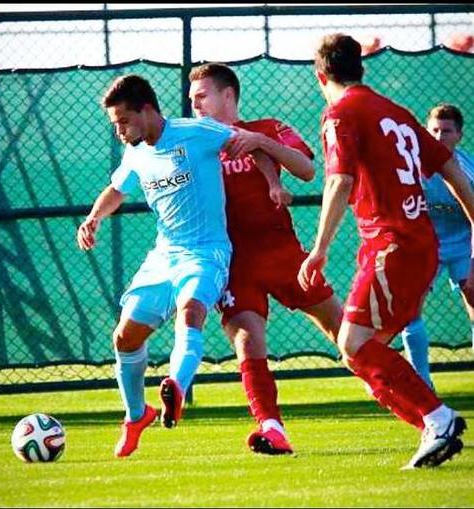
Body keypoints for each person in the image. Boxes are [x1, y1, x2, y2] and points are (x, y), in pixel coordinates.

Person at [297, 33, 473, 469]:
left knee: (353, 342)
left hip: (391, 244)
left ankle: (438, 418)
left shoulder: (340, 114)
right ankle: (433, 427)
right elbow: (449, 166)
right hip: (417, 244)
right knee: (361, 348)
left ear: (321, 75)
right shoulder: (396, 112)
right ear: (361, 68)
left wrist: (319, 249)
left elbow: (339, 180)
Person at [76, 74, 266, 457]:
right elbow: (116, 189)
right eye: (115, 124)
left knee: (191, 311)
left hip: (206, 252)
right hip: (163, 257)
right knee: (124, 338)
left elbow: (248, 145)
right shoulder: (137, 151)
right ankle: (136, 415)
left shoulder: (196, 132)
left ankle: (176, 387)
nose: (119, 130)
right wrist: (94, 217)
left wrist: (273, 182)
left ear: (147, 111)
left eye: (123, 121)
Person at [188, 63, 343, 455]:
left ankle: (405, 397)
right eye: (191, 100)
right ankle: (272, 428)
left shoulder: (269, 126)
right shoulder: (194, 141)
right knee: (246, 338)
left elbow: (307, 169)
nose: (195, 106)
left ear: (227, 95)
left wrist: (261, 142)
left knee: (344, 330)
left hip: (281, 251)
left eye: (202, 96)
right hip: (232, 261)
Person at [401, 104, 474, 387]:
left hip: (463, 245)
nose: (439, 136)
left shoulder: (467, 169)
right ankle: (422, 382)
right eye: (433, 130)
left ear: (459, 135)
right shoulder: (412, 169)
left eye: (446, 131)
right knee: (411, 309)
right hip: (425, 245)